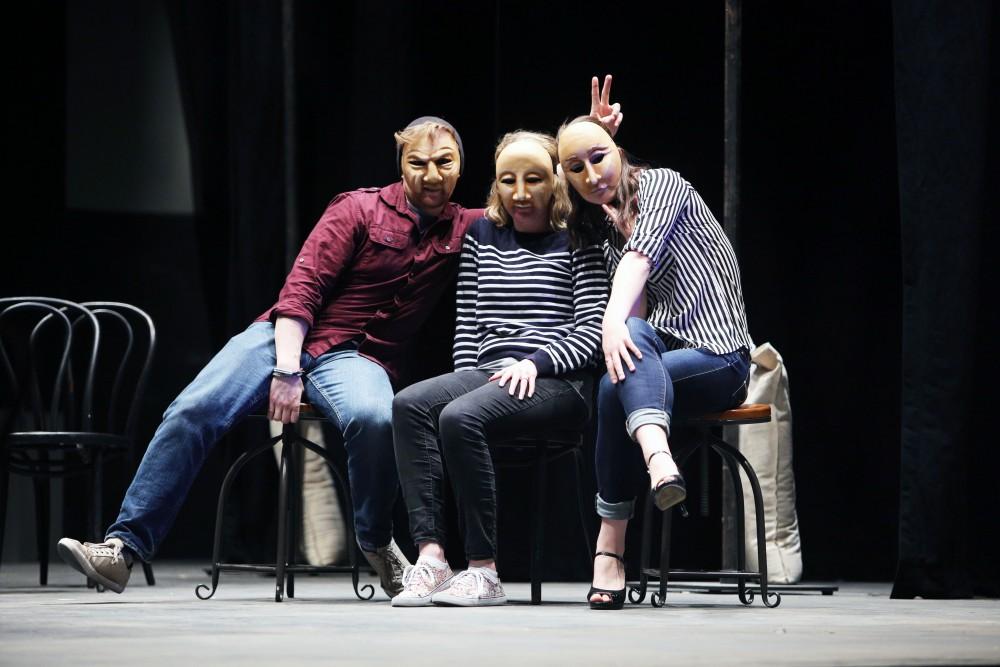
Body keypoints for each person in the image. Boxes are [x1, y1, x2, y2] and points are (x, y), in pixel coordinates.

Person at [56, 116, 479, 598]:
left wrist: (586, 147)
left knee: (376, 418)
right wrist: (286, 368)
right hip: (280, 337)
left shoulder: (467, 228)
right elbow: (302, 290)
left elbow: (539, 205)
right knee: (194, 409)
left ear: (461, 166)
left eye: (444, 162)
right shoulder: (358, 209)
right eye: (417, 163)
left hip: (357, 358)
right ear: (401, 164)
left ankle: (378, 544)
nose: (431, 174)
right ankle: (121, 549)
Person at [389, 130, 609, 607]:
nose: (521, 192)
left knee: (460, 416)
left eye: (533, 179)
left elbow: (594, 331)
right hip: (490, 375)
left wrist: (537, 362)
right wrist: (464, 379)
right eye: (508, 180)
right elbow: (468, 322)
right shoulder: (482, 235)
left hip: (559, 382)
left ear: (556, 181)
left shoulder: (580, 237)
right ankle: (431, 559)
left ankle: (484, 571)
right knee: (410, 404)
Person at [556, 116, 754, 610]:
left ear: (618, 150)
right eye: (576, 168)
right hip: (662, 367)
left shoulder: (664, 185)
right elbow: (637, 316)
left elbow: (640, 260)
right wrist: (620, 323)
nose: (592, 174)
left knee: (614, 374)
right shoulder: (605, 235)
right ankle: (657, 462)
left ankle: (611, 547)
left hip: (720, 359)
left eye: (599, 156)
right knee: (617, 372)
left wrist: (608, 321)